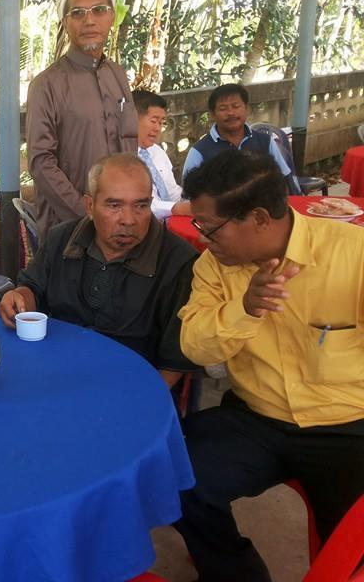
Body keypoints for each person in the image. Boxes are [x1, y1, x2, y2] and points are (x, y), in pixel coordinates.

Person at [175, 150, 364, 582]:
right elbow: (195, 347)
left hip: (349, 424)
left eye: (209, 227)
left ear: (259, 218)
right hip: (257, 417)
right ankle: (236, 574)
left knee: (353, 542)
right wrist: (244, 309)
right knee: (174, 475)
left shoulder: (353, 253)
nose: (203, 238)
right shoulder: (213, 267)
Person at [0, 153, 197, 387]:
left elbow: (174, 362)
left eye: (141, 205)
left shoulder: (178, 262)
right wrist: (18, 298)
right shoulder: (62, 239)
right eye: (114, 205)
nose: (129, 220)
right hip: (56, 370)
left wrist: (143, 400)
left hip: (131, 383)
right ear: (90, 206)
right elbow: (33, 288)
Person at [26, 0, 137, 237]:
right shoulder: (46, 84)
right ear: (65, 23)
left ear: (111, 16)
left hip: (122, 223)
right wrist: (86, 214)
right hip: (69, 229)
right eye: (77, 13)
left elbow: (129, 143)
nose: (89, 20)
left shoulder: (117, 75)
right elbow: (41, 162)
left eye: (98, 10)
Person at [181, 82, 290, 179]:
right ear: (213, 114)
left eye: (236, 106)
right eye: (223, 108)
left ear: (246, 109)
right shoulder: (199, 152)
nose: (231, 113)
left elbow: (284, 179)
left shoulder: (265, 142)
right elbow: (189, 192)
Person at [134, 90, 191, 219]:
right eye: (153, 121)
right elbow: (138, 205)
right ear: (133, 120)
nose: (157, 129)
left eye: (161, 123)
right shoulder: (122, 158)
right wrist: (175, 208)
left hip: (173, 221)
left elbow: (172, 190)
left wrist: (191, 202)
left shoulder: (157, 152)